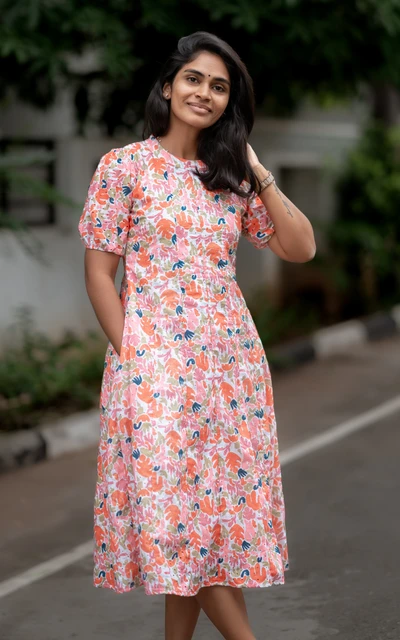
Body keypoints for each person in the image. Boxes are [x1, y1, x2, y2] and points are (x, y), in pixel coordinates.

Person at [78, 30, 316, 640]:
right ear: (168, 86)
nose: (204, 93)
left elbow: (300, 247)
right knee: (178, 518)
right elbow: (101, 275)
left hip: (230, 371)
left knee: (207, 523)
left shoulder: (230, 178)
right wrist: (134, 357)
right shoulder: (124, 167)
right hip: (154, 369)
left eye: (219, 87)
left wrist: (256, 168)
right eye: (193, 79)